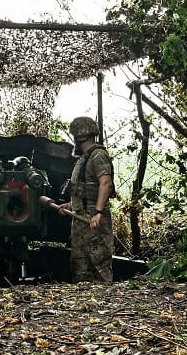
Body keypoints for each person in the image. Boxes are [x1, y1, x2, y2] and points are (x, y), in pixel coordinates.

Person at [59, 116, 115, 283]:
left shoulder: (98, 156)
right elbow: (84, 191)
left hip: (93, 220)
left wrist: (98, 212)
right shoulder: (84, 159)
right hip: (80, 220)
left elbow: (105, 183)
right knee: (80, 267)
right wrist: (71, 205)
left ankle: (105, 296)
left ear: (81, 136)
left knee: (99, 265)